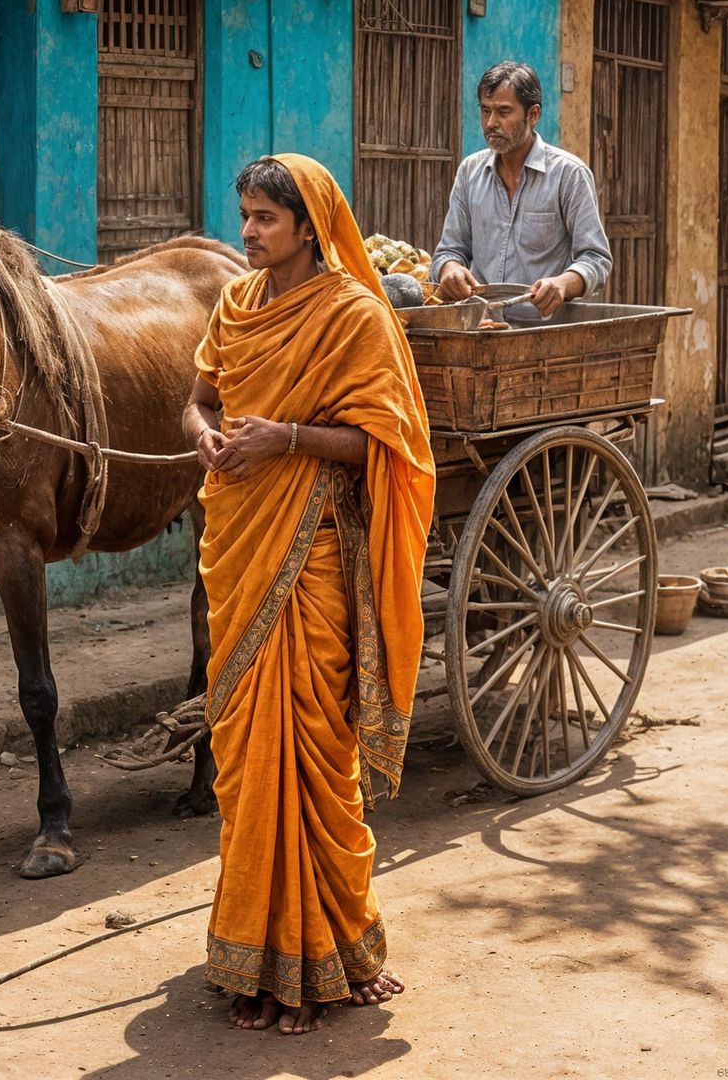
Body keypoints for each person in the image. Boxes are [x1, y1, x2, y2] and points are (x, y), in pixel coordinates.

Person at [182, 154, 434, 1036]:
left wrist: (285, 437)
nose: (247, 233)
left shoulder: (355, 317)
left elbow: (385, 450)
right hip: (240, 540)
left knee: (318, 746)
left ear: (307, 225)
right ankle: (253, 951)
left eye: (263, 219)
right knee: (249, 753)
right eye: (244, 215)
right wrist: (209, 439)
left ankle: (338, 950)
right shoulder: (235, 306)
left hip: (315, 552)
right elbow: (199, 400)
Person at [431, 61, 611, 317]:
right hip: (481, 328)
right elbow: (450, 249)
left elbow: (596, 258)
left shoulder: (569, 174)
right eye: (485, 111)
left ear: (533, 114)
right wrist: (450, 269)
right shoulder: (470, 171)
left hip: (544, 334)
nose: (491, 122)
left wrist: (562, 284)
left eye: (504, 112)